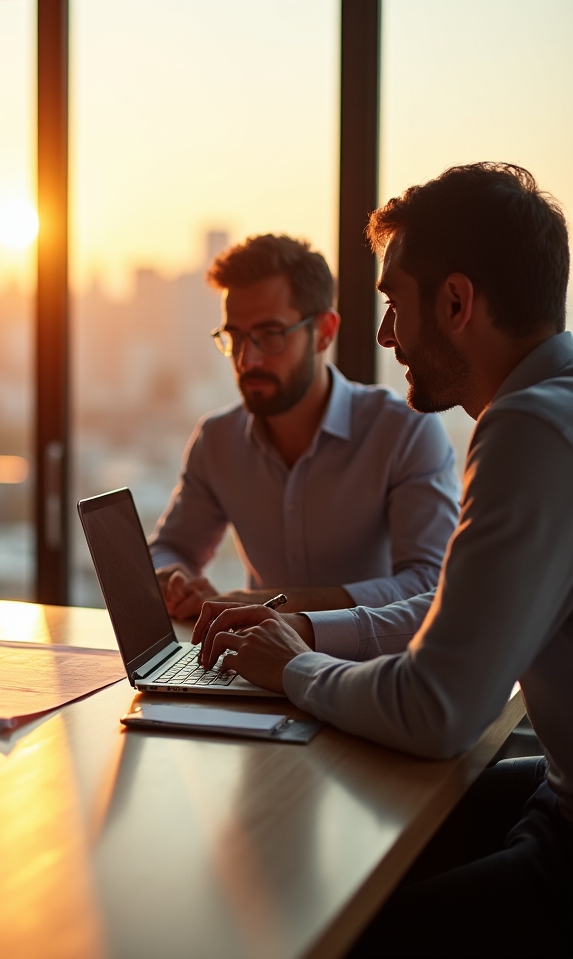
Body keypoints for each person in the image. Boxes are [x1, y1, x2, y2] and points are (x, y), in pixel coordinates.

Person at [194, 163, 573, 956]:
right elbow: (449, 611)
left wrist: (294, 670)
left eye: (396, 302)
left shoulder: (530, 430)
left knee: (325, 927)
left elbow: (436, 712)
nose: (386, 334)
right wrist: (304, 630)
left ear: (458, 303)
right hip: (555, 792)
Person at [151, 234, 460, 620]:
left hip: (369, 671)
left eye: (270, 335)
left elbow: (429, 584)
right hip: (255, 663)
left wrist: (277, 606)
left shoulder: (403, 432)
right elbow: (169, 548)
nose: (247, 359)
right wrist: (174, 578)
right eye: (236, 337)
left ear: (325, 331)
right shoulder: (218, 439)